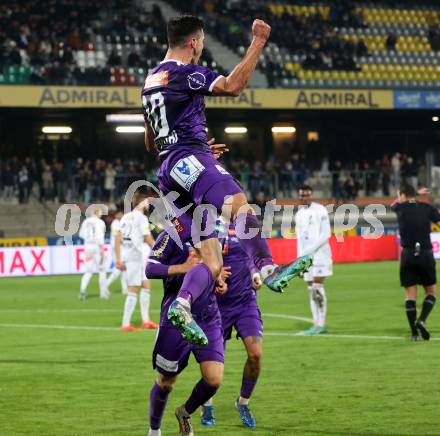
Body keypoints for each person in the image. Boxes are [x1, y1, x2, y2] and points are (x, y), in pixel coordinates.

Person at [142, 15, 312, 345]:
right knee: (238, 204)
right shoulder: (184, 72)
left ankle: (182, 305)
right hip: (188, 160)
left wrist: (193, 149)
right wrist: (259, 42)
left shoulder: (150, 80)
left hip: (167, 170)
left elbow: (151, 142)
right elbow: (233, 86)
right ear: (193, 42)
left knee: (212, 260)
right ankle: (267, 267)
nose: (202, 47)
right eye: (202, 42)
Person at [145, 226, 227, 436]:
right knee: (165, 382)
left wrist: (219, 280)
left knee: (213, 380)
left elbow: (215, 265)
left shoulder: (215, 230)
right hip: (176, 319)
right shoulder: (171, 234)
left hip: (208, 317)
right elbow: (150, 269)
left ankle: (184, 412)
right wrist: (183, 267)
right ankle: (154, 430)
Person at [201, 220, 263, 429]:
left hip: (246, 302)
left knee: (255, 354)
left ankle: (243, 402)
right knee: (213, 366)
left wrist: (256, 274)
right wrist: (215, 274)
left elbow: (253, 256)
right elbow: (198, 258)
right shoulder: (207, 224)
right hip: (216, 305)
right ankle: (207, 404)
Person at [391, 185, 439, 340]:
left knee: (410, 295)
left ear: (403, 195)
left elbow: (394, 203)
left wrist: (413, 194)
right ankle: (422, 320)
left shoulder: (399, 208)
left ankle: (414, 333)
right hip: (425, 253)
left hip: (408, 254)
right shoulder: (427, 208)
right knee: (431, 292)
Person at [115, 195, 158, 332]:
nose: (147, 205)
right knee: (133, 288)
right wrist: (161, 251)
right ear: (141, 204)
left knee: (146, 285)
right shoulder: (142, 218)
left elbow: (117, 238)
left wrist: (118, 258)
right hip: (134, 256)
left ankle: (146, 320)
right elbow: (148, 238)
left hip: (132, 255)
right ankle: (125, 323)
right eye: (146, 203)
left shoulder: (125, 217)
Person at [295, 185, 333, 335]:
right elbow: (299, 239)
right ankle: (316, 323)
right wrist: (299, 260)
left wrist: (308, 251)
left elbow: (326, 234)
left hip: (321, 255)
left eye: (306, 195)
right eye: (301, 195)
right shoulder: (299, 214)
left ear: (310, 195)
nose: (303, 198)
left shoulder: (320, 210)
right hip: (307, 258)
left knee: (317, 287)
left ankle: (321, 324)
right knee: (311, 289)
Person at [78, 207, 110, 300]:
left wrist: (89, 239)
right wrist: (101, 248)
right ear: (97, 213)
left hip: (88, 247)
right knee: (102, 270)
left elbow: (81, 235)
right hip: (97, 247)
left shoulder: (86, 222)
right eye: (100, 213)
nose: (101, 215)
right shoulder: (100, 222)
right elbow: (100, 236)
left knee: (88, 271)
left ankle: (82, 290)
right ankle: (103, 293)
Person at [105, 210, 128, 294]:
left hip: (121, 248)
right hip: (116, 248)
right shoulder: (115, 223)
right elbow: (117, 237)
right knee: (119, 268)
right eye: (120, 214)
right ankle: (105, 285)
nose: (121, 215)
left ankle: (124, 289)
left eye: (122, 213)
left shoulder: (121, 222)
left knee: (124, 269)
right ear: (116, 215)